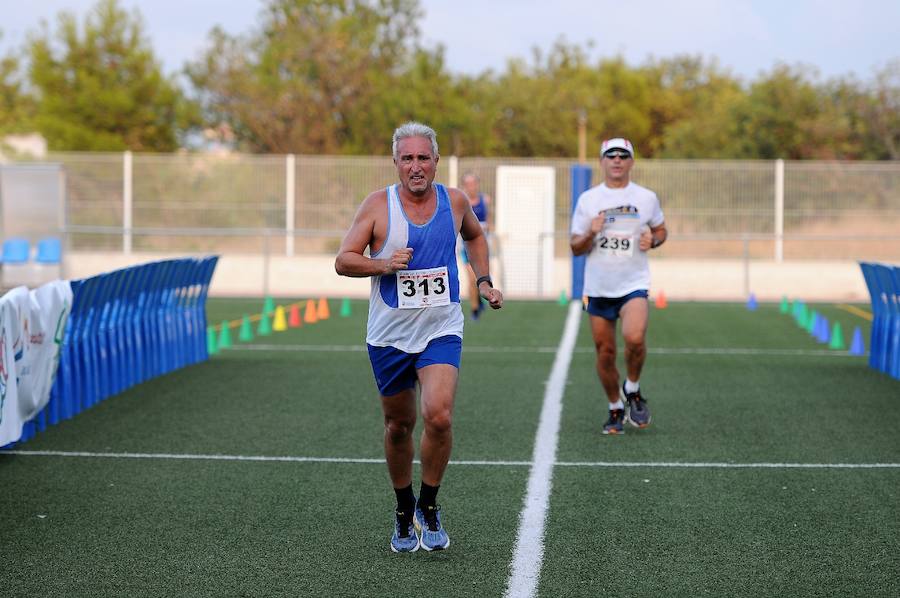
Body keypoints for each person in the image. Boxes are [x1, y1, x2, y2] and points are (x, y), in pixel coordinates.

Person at [335, 122, 503, 552]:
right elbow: (344, 260)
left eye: (423, 157)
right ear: (395, 162)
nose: (415, 166)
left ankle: (429, 505)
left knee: (440, 415)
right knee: (398, 426)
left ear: (436, 161)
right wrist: (385, 264)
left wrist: (483, 281)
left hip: (440, 327)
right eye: (407, 158)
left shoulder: (456, 201)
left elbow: (476, 236)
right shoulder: (377, 206)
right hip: (389, 334)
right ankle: (402, 508)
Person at [569, 138, 668, 435]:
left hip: (633, 282)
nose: (616, 160)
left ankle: (633, 388)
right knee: (606, 352)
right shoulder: (588, 200)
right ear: (601, 162)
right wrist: (591, 231)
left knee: (634, 338)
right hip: (598, 286)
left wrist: (655, 239)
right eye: (610, 155)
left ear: (631, 162)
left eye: (622, 155)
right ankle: (615, 407)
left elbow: (661, 229)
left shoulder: (646, 197)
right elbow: (575, 246)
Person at [458, 172, 492, 320]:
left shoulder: (485, 200)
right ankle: (475, 308)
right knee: (472, 279)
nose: (471, 187)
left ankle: (480, 298)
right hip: (466, 246)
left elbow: (489, 220)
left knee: (484, 276)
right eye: (468, 184)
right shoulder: (461, 202)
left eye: (473, 183)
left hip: (481, 244)